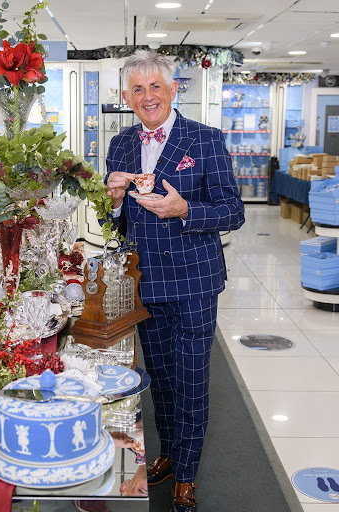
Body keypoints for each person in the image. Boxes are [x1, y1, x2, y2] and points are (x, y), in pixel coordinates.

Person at [105, 49, 245, 512]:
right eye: (138, 89)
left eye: (156, 87)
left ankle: (186, 475)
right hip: (146, 282)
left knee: (191, 381)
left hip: (193, 283)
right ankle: (167, 453)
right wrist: (114, 202)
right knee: (161, 379)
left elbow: (233, 211)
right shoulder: (120, 145)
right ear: (127, 96)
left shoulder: (205, 139)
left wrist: (185, 209)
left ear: (173, 90)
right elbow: (115, 225)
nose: (148, 96)